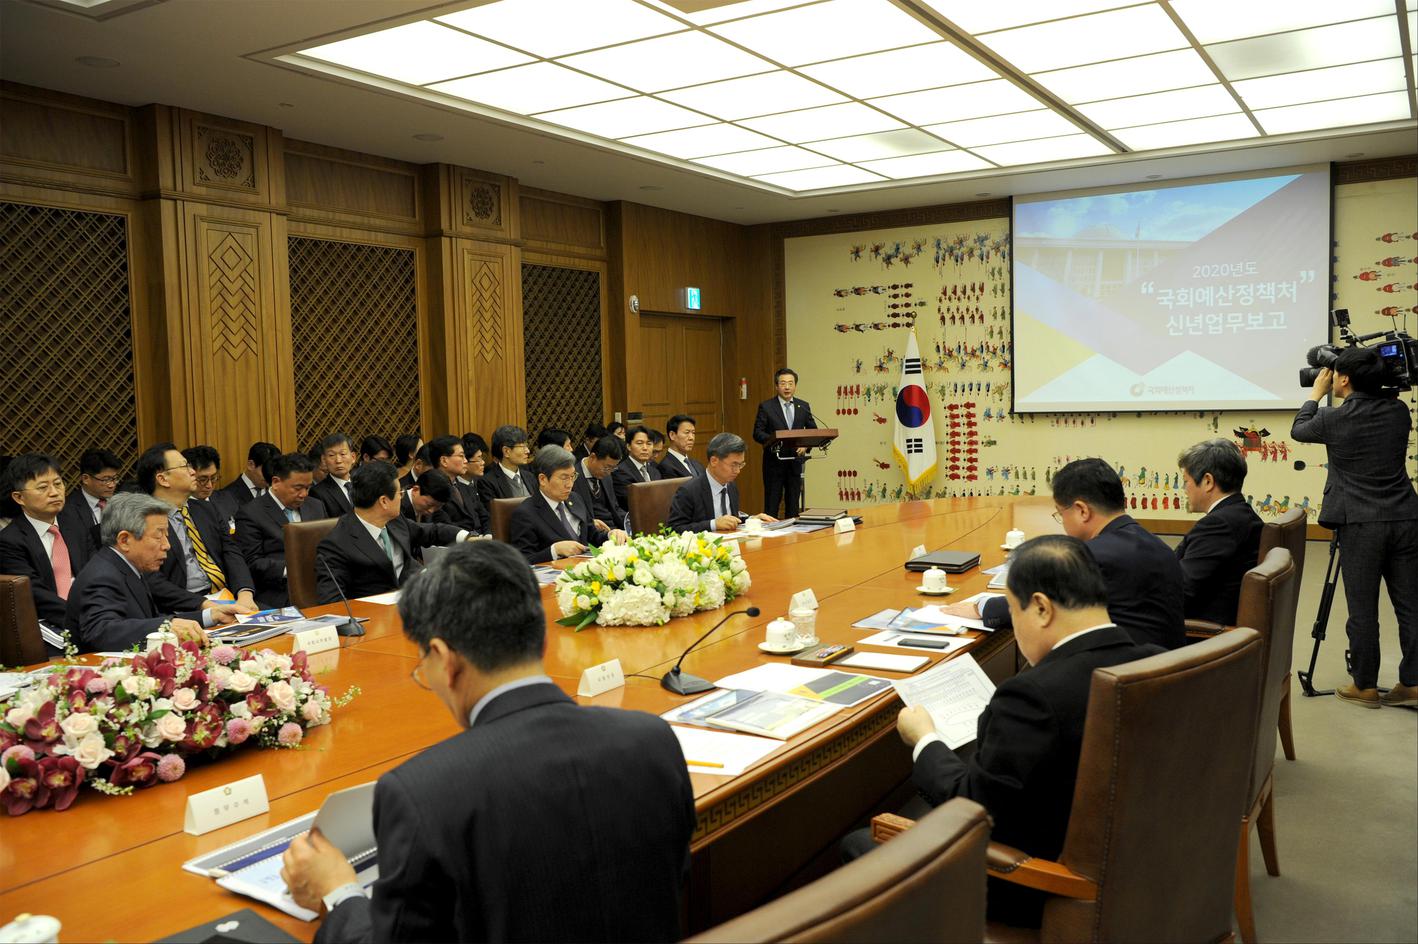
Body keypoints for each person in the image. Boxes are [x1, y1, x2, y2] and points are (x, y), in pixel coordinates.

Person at [280, 541, 695, 943]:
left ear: (444, 659)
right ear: (542, 640)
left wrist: (338, 893)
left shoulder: (422, 793)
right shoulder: (652, 739)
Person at [852, 535, 1163, 927]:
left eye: (1014, 613)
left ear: (1041, 608)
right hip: (1143, 871)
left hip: (1038, 886)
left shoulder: (1033, 696)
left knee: (860, 843)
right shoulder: (1156, 662)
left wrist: (924, 739)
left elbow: (972, 808)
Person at [942, 458, 1185, 650]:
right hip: (1164, 671)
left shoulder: (1091, 556)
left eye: (1060, 513)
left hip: (1119, 676)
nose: (1062, 522)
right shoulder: (1157, 544)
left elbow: (1037, 603)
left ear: (1082, 511)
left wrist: (981, 607)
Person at [1292, 351, 1418, 708]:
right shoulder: (1398, 412)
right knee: (1411, 605)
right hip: (1406, 517)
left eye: (1335, 374)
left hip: (1360, 523)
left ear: (1344, 379)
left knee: (1363, 609)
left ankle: (1364, 686)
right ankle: (1413, 683)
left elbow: (1299, 429)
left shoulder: (1332, 418)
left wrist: (1315, 393)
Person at [65, 492, 209, 653]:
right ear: (124, 540)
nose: (167, 545)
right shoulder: (102, 576)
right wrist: (167, 625)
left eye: (166, 535)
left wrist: (210, 616)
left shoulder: (127, 566)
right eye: (158, 536)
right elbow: (101, 632)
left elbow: (147, 620)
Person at [314, 461, 471, 604]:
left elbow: (430, 531)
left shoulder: (395, 521)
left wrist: (468, 537)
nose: (402, 498)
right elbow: (332, 603)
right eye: (399, 494)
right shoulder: (336, 545)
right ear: (384, 501)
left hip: (414, 602)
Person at [137, 443, 256, 620]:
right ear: (163, 479)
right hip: (184, 610)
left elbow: (231, 551)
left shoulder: (206, 509)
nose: (193, 472)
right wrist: (204, 605)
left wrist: (245, 593)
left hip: (227, 598)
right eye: (185, 466)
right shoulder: (143, 520)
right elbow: (151, 580)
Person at [0, 454, 94, 634]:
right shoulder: (9, 540)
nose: (54, 492)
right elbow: (35, 594)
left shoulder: (77, 525)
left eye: (58, 484)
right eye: (43, 487)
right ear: (19, 497)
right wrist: (81, 619)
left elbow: (95, 571)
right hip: (48, 622)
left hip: (92, 613)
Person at [1175, 439, 1263, 625]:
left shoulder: (1218, 525)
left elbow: (1180, 591)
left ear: (1207, 481)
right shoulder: (1243, 515)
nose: (1184, 490)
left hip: (1204, 632)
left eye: (1186, 482)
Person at [233, 452, 328, 608]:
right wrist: (292, 569)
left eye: (308, 487)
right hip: (279, 591)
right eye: (298, 488)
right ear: (276, 482)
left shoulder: (316, 506)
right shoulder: (251, 513)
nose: (304, 494)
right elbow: (250, 562)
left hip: (320, 586)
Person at [510, 446, 627, 563]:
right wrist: (554, 551)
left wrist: (611, 535)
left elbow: (592, 535)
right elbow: (522, 560)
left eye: (572, 477)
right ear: (543, 479)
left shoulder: (575, 499)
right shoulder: (526, 513)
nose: (570, 484)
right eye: (564, 478)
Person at [668, 433, 776, 533]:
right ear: (714, 461)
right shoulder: (689, 491)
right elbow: (674, 529)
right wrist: (713, 524)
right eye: (734, 465)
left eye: (740, 465)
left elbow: (731, 519)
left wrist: (751, 520)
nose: (737, 471)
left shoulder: (731, 486)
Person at [753, 367, 816, 518]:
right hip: (774, 463)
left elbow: (812, 430)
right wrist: (774, 441)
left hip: (795, 462)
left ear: (795, 385)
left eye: (790, 383)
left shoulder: (803, 406)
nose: (787, 387)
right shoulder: (767, 407)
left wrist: (805, 445)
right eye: (783, 383)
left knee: (793, 506)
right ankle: (770, 533)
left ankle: (793, 532)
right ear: (776, 386)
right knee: (772, 505)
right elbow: (757, 433)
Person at [57, 448, 121, 550]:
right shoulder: (68, 510)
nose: (112, 485)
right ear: (85, 479)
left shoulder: (121, 502)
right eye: (106, 480)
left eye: (115, 478)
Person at [426, 435, 488, 535]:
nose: (466, 461)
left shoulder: (466, 486)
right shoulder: (432, 490)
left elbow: (485, 517)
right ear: (444, 461)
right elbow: (443, 527)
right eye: (461, 456)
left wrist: (488, 535)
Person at [476, 425, 538, 505]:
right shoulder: (487, 483)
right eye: (522, 446)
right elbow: (494, 511)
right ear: (506, 451)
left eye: (526, 446)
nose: (528, 451)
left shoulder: (530, 477)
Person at [183, 445, 238, 529]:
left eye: (213, 478)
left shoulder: (227, 499)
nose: (209, 485)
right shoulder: (181, 509)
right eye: (203, 479)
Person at [577, 435, 624, 533]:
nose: (609, 472)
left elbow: (615, 508)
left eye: (613, 468)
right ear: (593, 457)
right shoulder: (573, 477)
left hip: (615, 529)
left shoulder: (606, 476)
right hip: (593, 532)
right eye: (607, 467)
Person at [610, 425, 662, 511]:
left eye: (649, 443)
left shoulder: (655, 471)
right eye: (639, 443)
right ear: (629, 446)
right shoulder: (620, 472)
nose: (645, 448)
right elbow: (631, 502)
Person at [217, 441, 279, 508]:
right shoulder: (227, 496)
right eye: (266, 470)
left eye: (274, 471)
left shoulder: (277, 491)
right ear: (250, 465)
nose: (271, 476)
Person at [311, 433, 357, 515]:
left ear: (353, 457)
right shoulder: (318, 493)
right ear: (324, 460)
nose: (338, 460)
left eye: (342, 454)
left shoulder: (364, 483)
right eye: (331, 455)